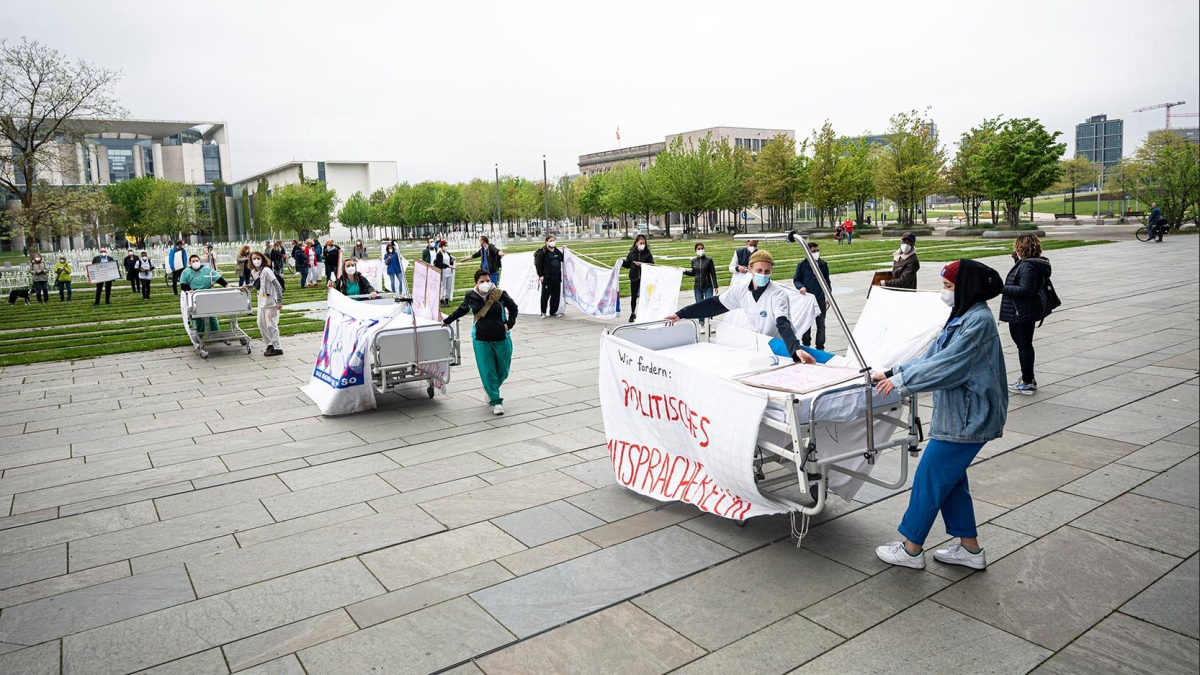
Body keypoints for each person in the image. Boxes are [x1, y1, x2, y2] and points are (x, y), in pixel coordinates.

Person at [872, 259, 1007, 571]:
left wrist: (900, 383)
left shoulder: (978, 323)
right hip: (960, 415)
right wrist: (893, 371)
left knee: (930, 478)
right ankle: (970, 550)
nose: (944, 293)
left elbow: (949, 366)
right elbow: (934, 354)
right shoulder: (963, 315)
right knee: (951, 480)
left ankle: (911, 548)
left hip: (970, 418)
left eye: (948, 287)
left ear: (966, 288)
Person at [667, 249, 819, 365]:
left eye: (767, 271)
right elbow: (715, 304)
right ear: (750, 269)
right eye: (759, 270)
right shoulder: (741, 290)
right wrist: (682, 313)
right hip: (759, 343)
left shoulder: (778, 293)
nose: (763, 274)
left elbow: (782, 323)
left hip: (782, 345)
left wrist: (796, 349)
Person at [443, 268, 518, 415]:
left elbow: (513, 308)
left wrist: (509, 324)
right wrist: (447, 320)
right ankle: (496, 401)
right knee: (487, 370)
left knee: (503, 370)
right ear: (476, 283)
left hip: (501, 337)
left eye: (488, 281)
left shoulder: (499, 294)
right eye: (482, 281)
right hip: (481, 339)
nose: (485, 284)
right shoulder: (471, 296)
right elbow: (461, 310)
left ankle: (490, 387)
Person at [999, 234, 1051, 396]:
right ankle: (1027, 378)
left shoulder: (1028, 266)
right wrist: (1017, 262)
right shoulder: (1029, 264)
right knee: (1024, 344)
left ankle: (1027, 382)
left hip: (1021, 312)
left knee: (1024, 345)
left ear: (1021, 247)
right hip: (1023, 310)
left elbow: (1025, 290)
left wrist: (1000, 288)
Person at [793, 242, 831, 350]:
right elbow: (796, 280)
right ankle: (806, 344)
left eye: (817, 251)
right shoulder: (803, 265)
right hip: (808, 300)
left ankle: (820, 346)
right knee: (807, 323)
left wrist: (828, 296)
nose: (816, 253)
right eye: (813, 251)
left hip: (820, 298)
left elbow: (827, 281)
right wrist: (801, 287)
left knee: (821, 324)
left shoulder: (823, 264)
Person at [246, 250, 284, 356]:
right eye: (254, 259)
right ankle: (269, 344)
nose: (256, 261)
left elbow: (277, 285)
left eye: (258, 258)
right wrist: (248, 286)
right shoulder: (254, 272)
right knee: (261, 324)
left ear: (262, 259)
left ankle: (277, 347)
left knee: (271, 325)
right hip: (261, 302)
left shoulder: (267, 270)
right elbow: (257, 283)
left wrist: (279, 301)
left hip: (271, 302)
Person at [179, 254, 229, 333]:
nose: (195, 262)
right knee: (197, 317)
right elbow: (183, 285)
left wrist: (226, 285)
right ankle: (199, 334)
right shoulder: (186, 272)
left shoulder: (207, 270)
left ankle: (215, 333)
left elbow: (218, 278)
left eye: (197, 261)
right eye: (193, 261)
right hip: (194, 297)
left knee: (211, 315)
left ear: (200, 261)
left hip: (207, 296)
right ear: (190, 263)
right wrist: (189, 290)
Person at [682, 243, 719, 326]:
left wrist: (715, 285)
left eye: (702, 248)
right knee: (699, 304)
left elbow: (713, 273)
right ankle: (701, 323)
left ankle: (710, 323)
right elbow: (693, 273)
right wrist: (685, 272)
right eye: (698, 249)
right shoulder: (693, 261)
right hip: (697, 287)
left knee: (709, 304)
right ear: (695, 250)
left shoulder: (709, 260)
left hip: (708, 286)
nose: (700, 250)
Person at [622, 234, 654, 323]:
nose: (642, 245)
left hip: (645, 279)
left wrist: (643, 264)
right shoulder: (631, 254)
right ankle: (633, 313)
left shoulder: (647, 254)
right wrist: (622, 262)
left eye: (644, 243)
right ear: (636, 243)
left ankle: (645, 313)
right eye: (641, 243)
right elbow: (628, 265)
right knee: (634, 297)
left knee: (646, 296)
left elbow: (652, 265)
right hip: (634, 278)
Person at [534, 234, 565, 318]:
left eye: (553, 240)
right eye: (550, 241)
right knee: (545, 296)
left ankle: (553, 311)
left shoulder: (556, 251)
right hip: (547, 278)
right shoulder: (542, 252)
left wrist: (564, 250)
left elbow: (562, 258)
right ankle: (543, 312)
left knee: (555, 296)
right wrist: (540, 275)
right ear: (546, 242)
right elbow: (538, 264)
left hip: (557, 278)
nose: (552, 242)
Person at [434, 240, 456, 305]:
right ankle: (441, 299)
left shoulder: (448, 254)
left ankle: (447, 299)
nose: (446, 247)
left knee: (448, 286)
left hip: (449, 271)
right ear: (441, 246)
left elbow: (450, 263)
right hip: (443, 271)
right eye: (445, 246)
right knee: (443, 286)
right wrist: (447, 266)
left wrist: (452, 261)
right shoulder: (439, 254)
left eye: (446, 246)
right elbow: (439, 263)